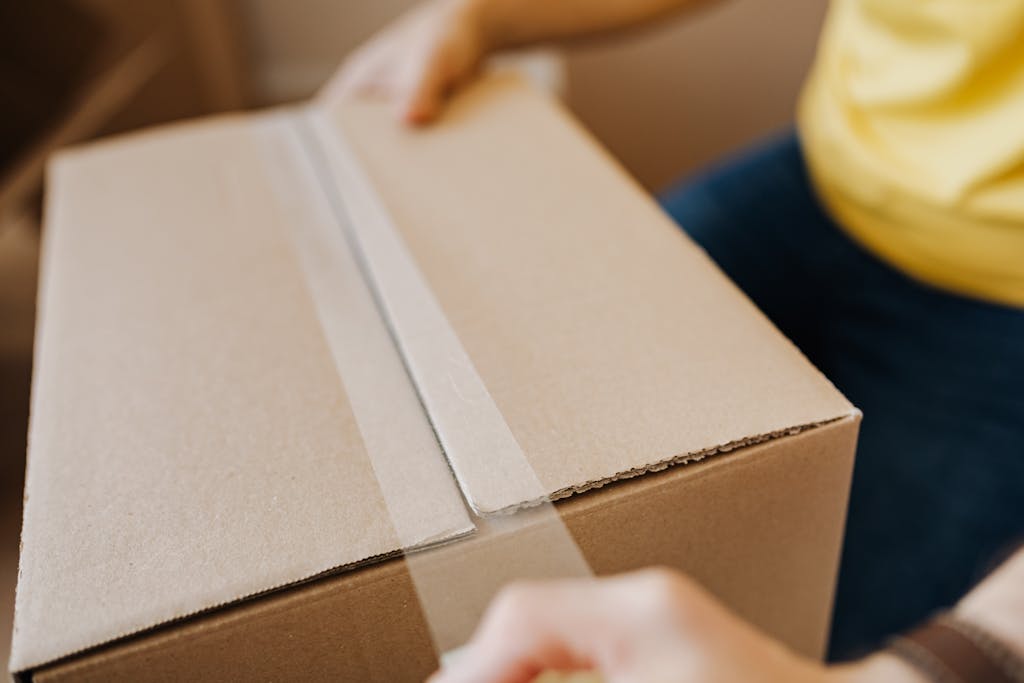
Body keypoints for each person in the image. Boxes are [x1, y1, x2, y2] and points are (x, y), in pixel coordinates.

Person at [327, 0, 1024, 679]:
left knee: (829, 623)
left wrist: (921, 669)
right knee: (541, 391)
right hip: (834, 169)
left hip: (1004, 299)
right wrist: (481, 15)